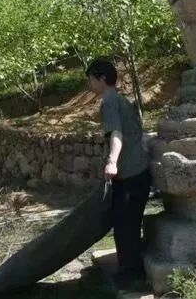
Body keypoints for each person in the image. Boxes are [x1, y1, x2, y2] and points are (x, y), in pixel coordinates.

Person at [86, 58, 151, 287]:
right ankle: (131, 273)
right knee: (126, 225)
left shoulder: (110, 102)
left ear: (102, 79)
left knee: (125, 227)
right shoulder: (121, 100)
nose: (90, 85)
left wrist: (112, 162)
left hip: (131, 176)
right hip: (137, 174)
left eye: (92, 80)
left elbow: (116, 133)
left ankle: (132, 276)